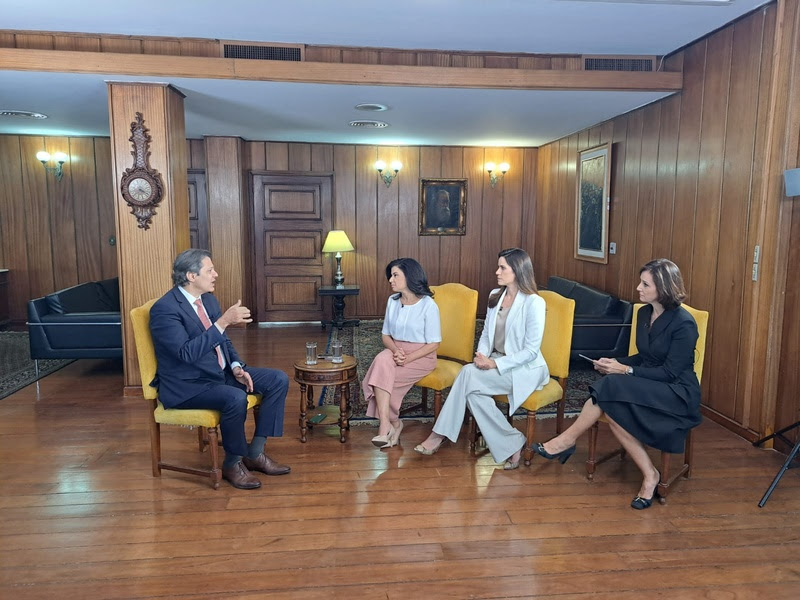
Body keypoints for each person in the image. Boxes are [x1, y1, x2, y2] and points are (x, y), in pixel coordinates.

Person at [533, 258, 701, 510]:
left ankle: (565, 441)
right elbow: (644, 357)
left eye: (645, 284)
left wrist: (624, 369)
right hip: (650, 384)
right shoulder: (644, 313)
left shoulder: (684, 324)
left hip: (675, 392)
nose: (638, 288)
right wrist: (613, 361)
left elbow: (669, 372)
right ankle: (650, 475)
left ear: (663, 288)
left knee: (610, 386)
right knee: (609, 401)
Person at [149, 249, 291, 490]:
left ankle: (255, 453)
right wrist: (223, 322)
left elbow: (223, 341)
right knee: (235, 397)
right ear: (191, 276)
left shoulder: (209, 299)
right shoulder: (165, 309)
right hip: (187, 385)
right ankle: (233, 463)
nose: (216, 274)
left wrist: (236, 366)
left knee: (277, 379)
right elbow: (186, 353)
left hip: (217, 374)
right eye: (209, 270)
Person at [415, 248, 549, 470]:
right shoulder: (495, 296)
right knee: (474, 393)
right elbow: (487, 334)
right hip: (496, 361)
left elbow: (531, 351)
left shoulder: (533, 302)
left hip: (525, 369)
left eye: (502, 267)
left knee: (467, 374)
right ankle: (513, 443)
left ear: (517, 270)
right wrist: (482, 355)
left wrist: (494, 363)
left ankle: (438, 435)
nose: (497, 272)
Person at [362, 258, 441, 449]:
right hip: (395, 349)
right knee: (382, 360)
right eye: (390, 275)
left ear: (410, 276)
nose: (390, 279)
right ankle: (387, 424)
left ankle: (392, 425)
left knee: (380, 378)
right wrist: (397, 351)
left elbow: (434, 343)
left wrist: (408, 357)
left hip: (422, 355)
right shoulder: (393, 301)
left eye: (395, 275)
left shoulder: (428, 305)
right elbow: (385, 335)